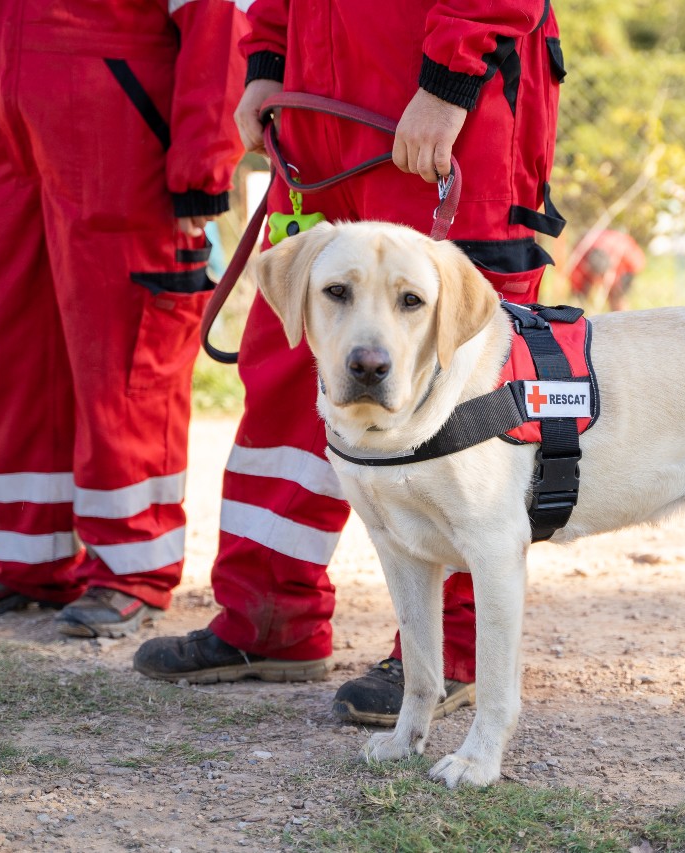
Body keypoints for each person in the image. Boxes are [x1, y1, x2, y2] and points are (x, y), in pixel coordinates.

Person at [133, 0, 565, 726]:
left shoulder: (447, 90)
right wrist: (266, 61)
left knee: (460, 389)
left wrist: (448, 84)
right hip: (315, 119)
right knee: (284, 366)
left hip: (445, 108)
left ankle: (453, 653)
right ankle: (269, 615)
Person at [0, 0, 247, 638]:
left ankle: (132, 567)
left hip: (120, 122)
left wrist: (204, 157)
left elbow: (216, 16)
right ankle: (29, 557)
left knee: (122, 355)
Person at [568, 229, 646, 312]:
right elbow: (577, 293)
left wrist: (618, 289)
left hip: (620, 264)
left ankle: (622, 315)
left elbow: (639, 263)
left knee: (618, 296)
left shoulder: (626, 253)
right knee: (581, 297)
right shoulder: (580, 262)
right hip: (590, 252)